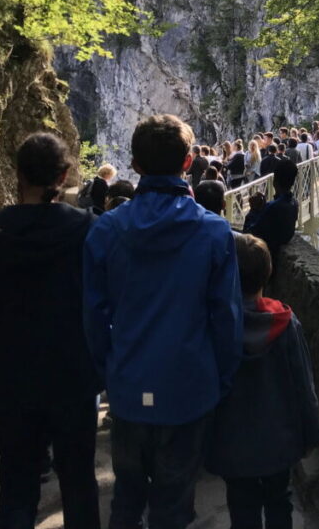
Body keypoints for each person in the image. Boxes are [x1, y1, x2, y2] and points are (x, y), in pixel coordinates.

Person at [84, 114, 242, 529]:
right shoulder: (213, 232)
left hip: (129, 383)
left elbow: (94, 315)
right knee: (174, 504)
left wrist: (110, 371)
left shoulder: (106, 231)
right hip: (190, 386)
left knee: (127, 498)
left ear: (134, 165)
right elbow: (226, 316)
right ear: (188, 162)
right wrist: (220, 380)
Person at [0, 133, 101, 529]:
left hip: (9, 378)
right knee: (79, 484)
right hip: (72, 375)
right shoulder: (86, 227)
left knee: (17, 485)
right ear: (64, 175)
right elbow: (104, 299)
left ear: (17, 173)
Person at [206, 234, 319, 529]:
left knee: (241, 504)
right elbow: (303, 384)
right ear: (268, 273)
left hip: (232, 440)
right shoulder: (286, 324)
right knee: (278, 501)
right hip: (278, 439)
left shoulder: (216, 325)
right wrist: (312, 433)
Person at [243, 159, 299, 265]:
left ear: (274, 181)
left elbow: (249, 234)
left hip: (266, 260)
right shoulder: (294, 203)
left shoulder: (273, 207)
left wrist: (254, 210)